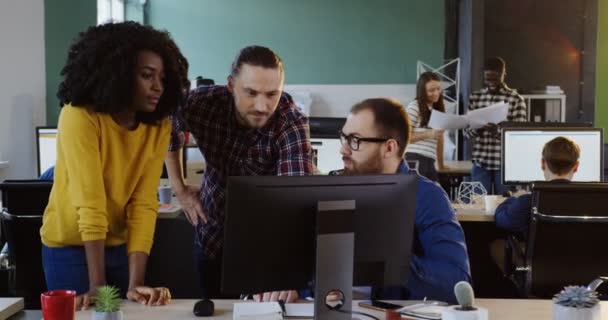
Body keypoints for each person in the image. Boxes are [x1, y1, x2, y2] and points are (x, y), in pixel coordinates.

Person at [40, 21, 189, 309]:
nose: (158, 86)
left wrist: (136, 285)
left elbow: (144, 203)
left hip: (121, 247)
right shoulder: (80, 115)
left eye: (163, 77)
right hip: (69, 247)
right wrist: (97, 285)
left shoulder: (158, 125)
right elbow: (90, 202)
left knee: (130, 314)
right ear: (118, 74)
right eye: (147, 75)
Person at [166, 45, 313, 302]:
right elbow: (167, 126)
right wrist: (180, 189)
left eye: (272, 94)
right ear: (231, 85)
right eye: (251, 93)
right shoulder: (202, 104)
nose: (262, 105)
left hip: (266, 248)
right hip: (212, 233)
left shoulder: (290, 123)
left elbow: (295, 203)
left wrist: (282, 271)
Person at [337, 98, 471, 303]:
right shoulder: (332, 190)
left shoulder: (427, 197)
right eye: (344, 138)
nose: (343, 150)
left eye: (355, 140)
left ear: (389, 148)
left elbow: (455, 283)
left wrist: (386, 254)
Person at [465, 57, 527, 195]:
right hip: (480, 162)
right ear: (483, 76)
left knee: (506, 205)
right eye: (488, 79)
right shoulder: (476, 97)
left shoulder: (516, 99)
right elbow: (466, 133)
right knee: (479, 206)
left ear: (503, 74)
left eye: (495, 79)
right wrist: (477, 129)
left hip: (505, 165)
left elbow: (519, 137)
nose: (491, 84)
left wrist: (497, 131)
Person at [495, 137, 580, 236]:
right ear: (576, 166)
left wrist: (514, 198)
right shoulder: (591, 201)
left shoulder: (528, 201)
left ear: (543, 164)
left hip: (544, 251)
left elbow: (501, 219)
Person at [405, 72, 447, 181]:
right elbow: (403, 136)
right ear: (422, 91)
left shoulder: (437, 109)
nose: (436, 93)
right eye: (431, 90)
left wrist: (441, 164)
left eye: (438, 89)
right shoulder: (414, 106)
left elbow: (440, 139)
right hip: (414, 159)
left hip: (429, 161)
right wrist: (429, 134)